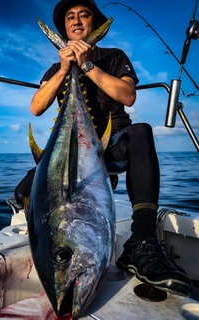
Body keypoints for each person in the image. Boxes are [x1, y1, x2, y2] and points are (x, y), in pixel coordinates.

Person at [16, 0, 192, 296]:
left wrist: (86, 65)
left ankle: (143, 240)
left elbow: (128, 95)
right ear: (64, 28)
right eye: (70, 17)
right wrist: (64, 69)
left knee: (140, 134)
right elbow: (36, 107)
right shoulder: (55, 67)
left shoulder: (112, 56)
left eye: (83, 15)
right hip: (70, 153)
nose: (76, 21)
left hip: (112, 145)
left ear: (94, 24)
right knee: (24, 193)